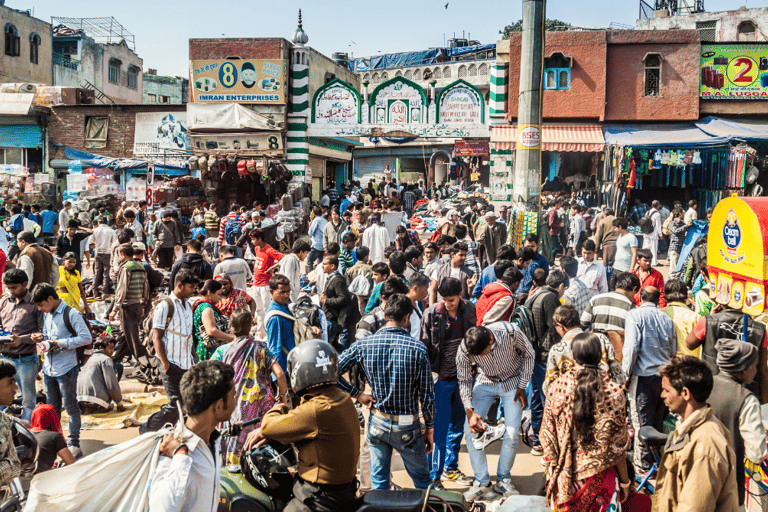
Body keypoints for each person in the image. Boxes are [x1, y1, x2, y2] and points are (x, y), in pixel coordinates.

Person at [244, 340, 360, 512]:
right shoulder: (341, 399)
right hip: (344, 490)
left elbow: (268, 425)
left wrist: (281, 405)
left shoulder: (316, 410)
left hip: (320, 498)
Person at [338, 294, 435, 490]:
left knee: (379, 484)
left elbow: (331, 371)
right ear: (407, 318)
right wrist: (430, 428)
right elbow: (426, 397)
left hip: (377, 422)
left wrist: (357, 394)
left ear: (384, 315)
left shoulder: (364, 345)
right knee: (423, 484)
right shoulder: (418, 349)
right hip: (407, 426)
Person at [541, 332, 631, 510]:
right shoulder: (614, 392)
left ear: (572, 356)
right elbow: (619, 446)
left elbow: (547, 437)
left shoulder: (557, 388)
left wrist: (556, 472)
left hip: (566, 483)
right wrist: (625, 482)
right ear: (600, 356)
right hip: (603, 481)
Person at [459, 323, 535, 501]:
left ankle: (503, 480)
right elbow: (463, 380)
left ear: (491, 340)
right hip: (485, 382)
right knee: (469, 432)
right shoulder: (465, 348)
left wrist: (523, 385)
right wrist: (470, 411)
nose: (479, 357)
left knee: (512, 433)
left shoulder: (511, 333)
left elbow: (529, 354)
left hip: (512, 382)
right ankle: (482, 483)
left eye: (482, 353)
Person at [149, 360, 235, 512]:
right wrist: (180, 455)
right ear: (219, 405)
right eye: (233, 395)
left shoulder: (211, 441)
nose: (236, 402)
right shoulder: (171, 451)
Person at [654, 356, 738, 512]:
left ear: (685, 393)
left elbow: (694, 507)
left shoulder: (706, 444)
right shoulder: (692, 429)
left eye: (666, 390)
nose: (662, 395)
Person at [421, 277, 476, 489]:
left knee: (457, 428)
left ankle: (450, 468)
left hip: (464, 379)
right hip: (441, 380)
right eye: (444, 300)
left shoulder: (470, 309)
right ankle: (434, 476)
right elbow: (425, 348)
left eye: (451, 300)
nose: (447, 304)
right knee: (439, 431)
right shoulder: (431, 313)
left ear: (460, 295)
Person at [216, 310, 288, 465]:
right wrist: (283, 397)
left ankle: (235, 469)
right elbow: (280, 374)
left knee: (234, 440)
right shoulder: (261, 348)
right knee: (259, 441)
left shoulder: (225, 351)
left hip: (234, 405)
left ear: (231, 326)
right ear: (250, 327)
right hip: (260, 406)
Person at [31, 284, 92, 456]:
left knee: (71, 407)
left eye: (41, 305)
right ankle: (56, 442)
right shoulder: (48, 315)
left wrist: (60, 343)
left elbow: (85, 337)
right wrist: (42, 338)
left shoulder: (71, 314)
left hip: (66, 368)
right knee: (52, 409)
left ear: (50, 299)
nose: (40, 309)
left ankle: (73, 443)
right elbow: (50, 336)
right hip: (49, 369)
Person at [622, 286, 675, 471]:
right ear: (657, 299)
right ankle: (655, 462)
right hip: (663, 379)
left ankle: (642, 466)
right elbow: (673, 350)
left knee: (641, 424)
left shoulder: (634, 316)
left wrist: (625, 376)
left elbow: (631, 348)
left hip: (642, 378)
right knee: (657, 422)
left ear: (640, 298)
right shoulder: (666, 319)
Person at [707, 339, 765, 507]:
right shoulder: (746, 398)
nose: (755, 371)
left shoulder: (704, 384)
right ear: (744, 368)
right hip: (728, 484)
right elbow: (757, 453)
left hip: (697, 475)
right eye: (754, 366)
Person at [140, 270, 198, 433]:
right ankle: (147, 429)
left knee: (184, 402)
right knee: (175, 403)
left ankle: (171, 430)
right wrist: (165, 364)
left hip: (186, 362)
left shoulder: (188, 305)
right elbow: (157, 337)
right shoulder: (165, 305)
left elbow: (188, 335)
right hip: (171, 362)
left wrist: (194, 357)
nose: (194, 290)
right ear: (179, 285)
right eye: (191, 286)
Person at [525, 268, 566, 456]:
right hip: (544, 355)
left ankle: (537, 439)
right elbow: (555, 326)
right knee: (547, 398)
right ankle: (546, 441)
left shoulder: (536, 294)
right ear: (561, 286)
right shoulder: (550, 298)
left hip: (534, 353)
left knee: (536, 396)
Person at [544, 305, 625, 394]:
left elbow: (549, 385)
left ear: (560, 326)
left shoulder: (557, 350)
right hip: (603, 396)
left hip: (572, 400)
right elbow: (618, 373)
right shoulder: (601, 339)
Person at [0, 270, 43, 421]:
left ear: (25, 284)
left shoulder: (35, 304)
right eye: (8, 288)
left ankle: (27, 433)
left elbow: (42, 333)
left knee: (28, 400)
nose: (11, 291)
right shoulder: (4, 302)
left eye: (14, 288)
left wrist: (22, 339)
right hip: (5, 358)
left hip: (26, 360)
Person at [109, 244, 150, 362]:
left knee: (133, 338)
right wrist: (143, 304)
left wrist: (114, 310)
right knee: (126, 334)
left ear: (123, 254)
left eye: (119, 254)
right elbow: (145, 287)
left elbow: (122, 291)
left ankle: (143, 362)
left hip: (127, 306)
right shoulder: (140, 266)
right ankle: (115, 359)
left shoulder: (126, 268)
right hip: (138, 305)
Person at [249, 228, 283, 336]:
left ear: (259, 239)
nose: (251, 242)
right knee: (259, 310)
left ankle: (270, 333)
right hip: (256, 284)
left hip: (265, 285)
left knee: (268, 309)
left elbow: (283, 258)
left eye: (253, 239)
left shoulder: (269, 250)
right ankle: (261, 333)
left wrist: (273, 267)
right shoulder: (257, 249)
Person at [320, 255, 358, 351]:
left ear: (332, 266)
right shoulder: (332, 278)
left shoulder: (337, 280)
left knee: (329, 348)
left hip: (333, 319)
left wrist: (326, 301)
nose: (322, 266)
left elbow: (344, 298)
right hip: (329, 318)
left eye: (325, 264)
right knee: (332, 346)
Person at [76, 337, 123, 414]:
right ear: (101, 347)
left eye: (113, 348)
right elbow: (111, 385)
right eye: (110, 348)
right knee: (118, 367)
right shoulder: (105, 359)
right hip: (96, 402)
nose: (113, 351)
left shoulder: (87, 358)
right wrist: (119, 403)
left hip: (79, 401)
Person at [193, 280, 235, 362]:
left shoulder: (199, 304)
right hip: (209, 352)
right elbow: (211, 331)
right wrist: (232, 338)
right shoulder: (207, 308)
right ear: (209, 292)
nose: (220, 298)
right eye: (218, 294)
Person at [660, 279, 701, 358]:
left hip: (664, 364)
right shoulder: (695, 317)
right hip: (689, 364)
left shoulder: (659, 314)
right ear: (686, 295)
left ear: (665, 295)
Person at [29, 404, 76, 473]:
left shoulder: (25, 434)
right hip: (40, 479)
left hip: (18, 480)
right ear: (53, 418)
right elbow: (71, 463)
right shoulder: (54, 437)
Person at [0, 361, 20, 484]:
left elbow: (16, 466)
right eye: (10, 382)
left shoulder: (5, 420)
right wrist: (7, 464)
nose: (16, 387)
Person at [90, 217, 117, 298]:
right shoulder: (111, 231)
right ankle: (105, 293)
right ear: (107, 222)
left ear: (98, 222)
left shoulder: (94, 230)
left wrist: (95, 247)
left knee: (97, 273)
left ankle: (95, 292)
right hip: (107, 253)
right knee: (106, 273)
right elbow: (114, 243)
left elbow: (90, 243)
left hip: (98, 252)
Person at [278, 239, 310, 303]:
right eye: (306, 253)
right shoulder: (291, 260)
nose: (306, 256)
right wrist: (294, 301)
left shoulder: (292, 258)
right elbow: (289, 281)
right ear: (301, 252)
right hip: (288, 297)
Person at [610, 218, 637, 291]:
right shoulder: (619, 236)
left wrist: (631, 269)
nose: (614, 229)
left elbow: (634, 254)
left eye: (615, 227)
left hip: (625, 269)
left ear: (620, 227)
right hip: (615, 267)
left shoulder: (632, 238)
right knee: (612, 288)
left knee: (623, 290)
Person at [667, 207, 688, 278]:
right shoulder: (672, 223)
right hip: (675, 248)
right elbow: (676, 231)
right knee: (673, 270)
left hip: (682, 249)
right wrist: (686, 226)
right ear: (680, 213)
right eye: (683, 213)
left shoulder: (682, 223)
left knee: (679, 271)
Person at [641, 200, 662, 266]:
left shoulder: (647, 212)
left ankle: (643, 260)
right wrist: (660, 235)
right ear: (658, 205)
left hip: (646, 233)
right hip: (653, 234)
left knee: (646, 248)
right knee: (653, 249)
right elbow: (658, 225)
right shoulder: (657, 214)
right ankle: (654, 262)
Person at [307, 206, 327, 272]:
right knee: (320, 263)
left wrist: (309, 226)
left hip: (316, 245)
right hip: (323, 245)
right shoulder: (324, 220)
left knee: (309, 261)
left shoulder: (316, 220)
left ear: (314, 213)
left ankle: (310, 277)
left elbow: (310, 233)